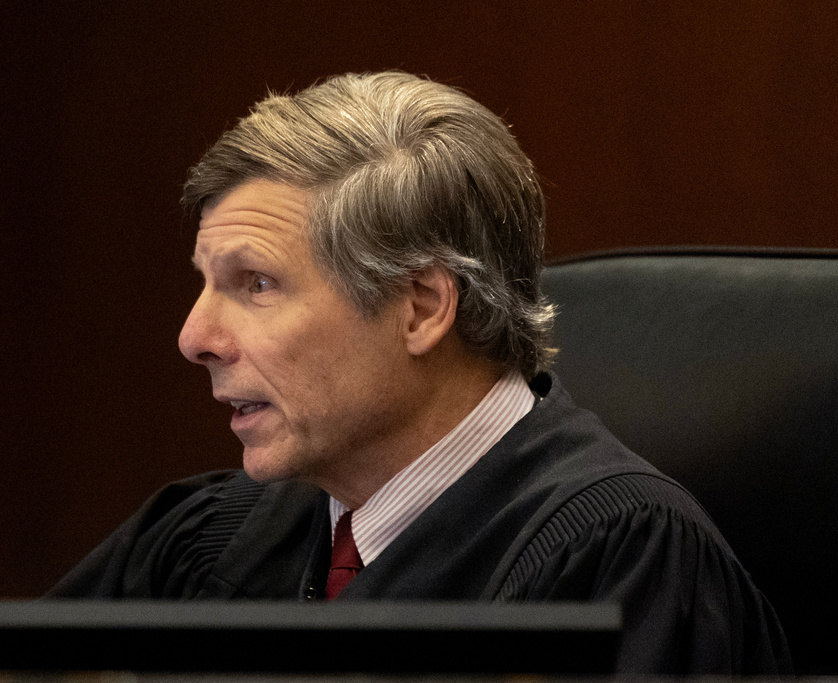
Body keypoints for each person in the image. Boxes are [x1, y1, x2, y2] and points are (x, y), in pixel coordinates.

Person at [49, 71, 791, 674]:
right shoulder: (213, 539)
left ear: (422, 307)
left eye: (257, 284)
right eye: (206, 283)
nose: (195, 336)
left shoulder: (622, 569)